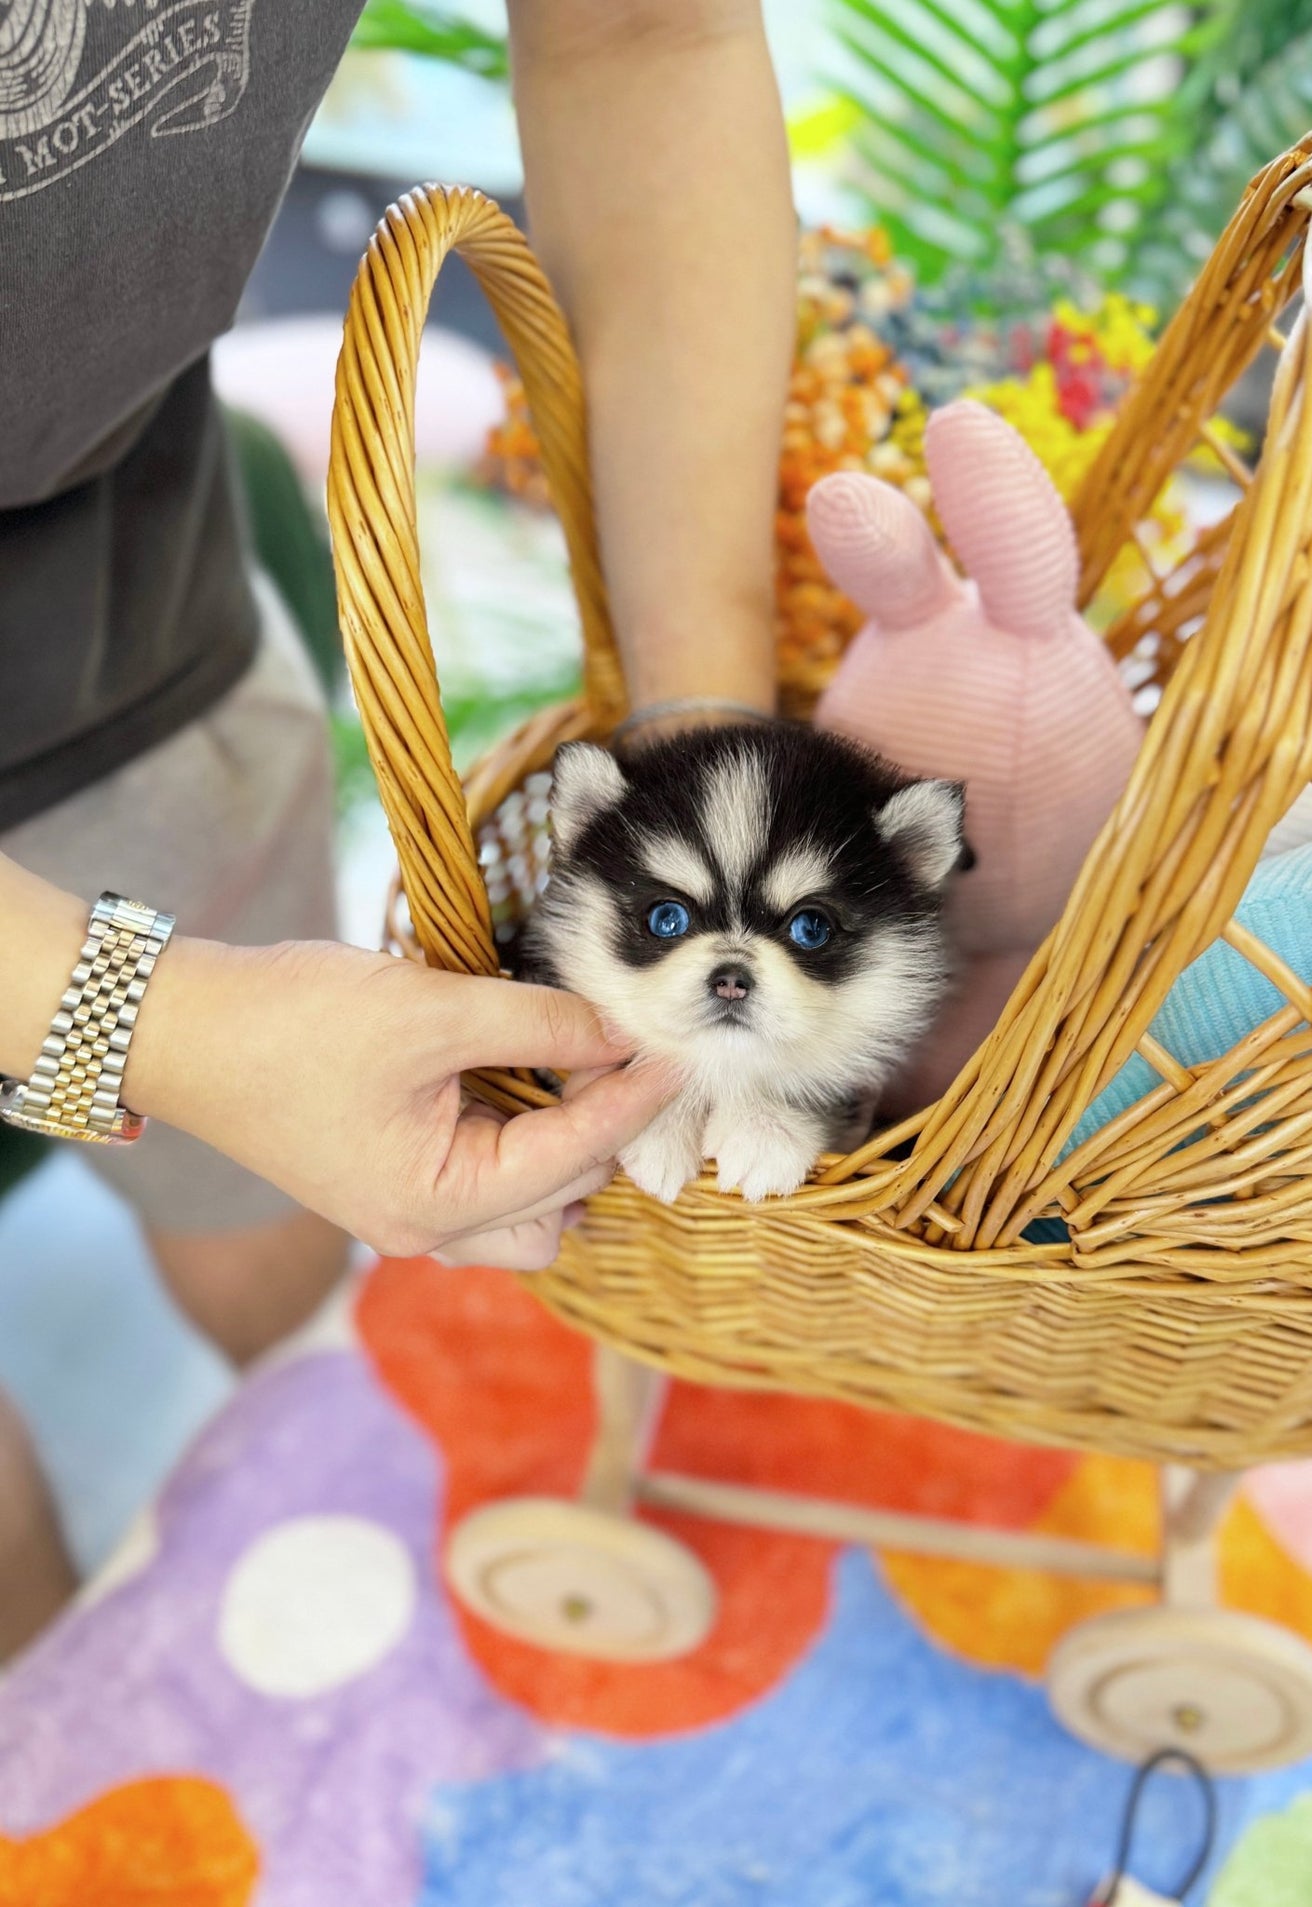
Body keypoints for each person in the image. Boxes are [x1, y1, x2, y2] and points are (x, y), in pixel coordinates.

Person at [0, 0, 793, 1659]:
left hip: (119, 602)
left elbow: (642, 39)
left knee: (276, 1258)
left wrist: (703, 741)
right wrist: (149, 1023)